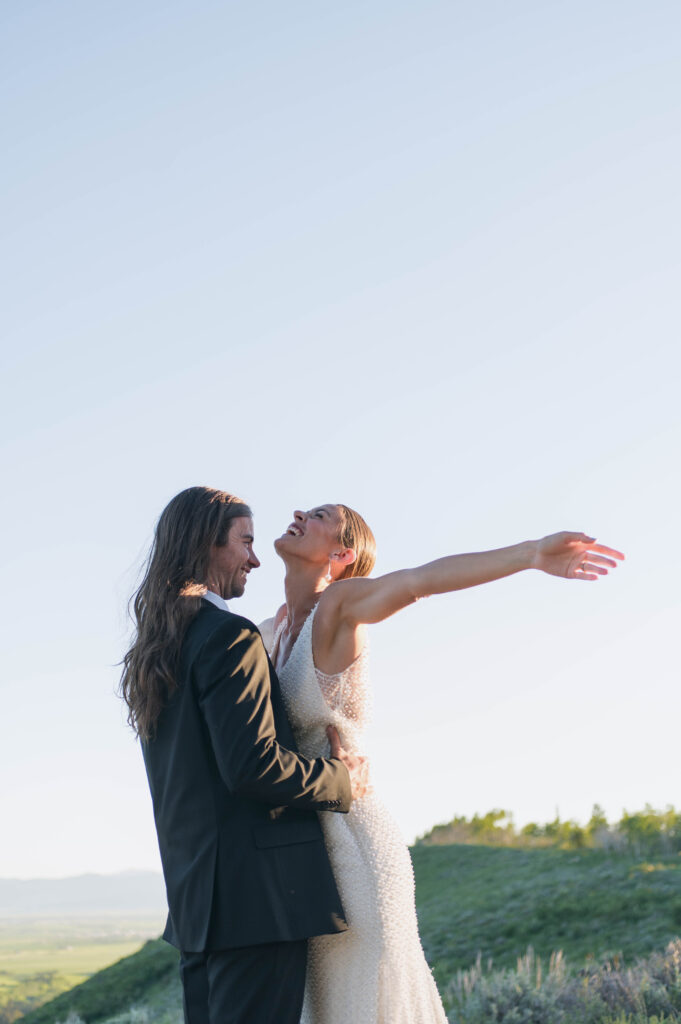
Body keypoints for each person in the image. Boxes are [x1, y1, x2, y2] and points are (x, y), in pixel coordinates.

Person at [262, 504, 625, 1024]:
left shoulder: (339, 604)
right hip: (303, 846)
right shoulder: (274, 629)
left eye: (318, 515)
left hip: (353, 845)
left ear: (341, 555)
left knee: (362, 1000)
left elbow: (418, 581)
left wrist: (530, 555)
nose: (298, 512)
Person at [120, 487, 369, 1024]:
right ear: (208, 545)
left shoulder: (158, 648)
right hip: (259, 904)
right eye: (245, 543)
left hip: (197, 907)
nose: (255, 559)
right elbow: (252, 766)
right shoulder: (228, 636)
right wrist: (340, 779)